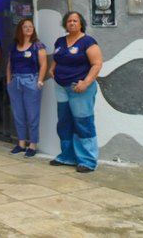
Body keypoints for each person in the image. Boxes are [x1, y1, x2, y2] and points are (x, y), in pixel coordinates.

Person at [48, 11, 103, 173]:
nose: (72, 23)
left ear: (81, 24)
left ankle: (87, 161)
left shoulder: (88, 42)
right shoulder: (60, 41)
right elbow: (56, 60)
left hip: (79, 88)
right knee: (64, 122)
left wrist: (85, 82)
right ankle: (67, 156)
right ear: (65, 24)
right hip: (61, 87)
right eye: (69, 21)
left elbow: (97, 64)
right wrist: (52, 71)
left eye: (75, 21)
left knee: (83, 122)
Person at [5, 18, 47, 157]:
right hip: (15, 81)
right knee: (18, 114)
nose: (28, 29)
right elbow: (9, 65)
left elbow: (44, 65)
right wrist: (8, 81)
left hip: (31, 81)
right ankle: (21, 143)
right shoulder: (14, 46)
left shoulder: (38, 46)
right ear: (20, 29)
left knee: (32, 114)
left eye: (30, 26)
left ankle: (32, 145)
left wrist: (40, 81)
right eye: (25, 27)